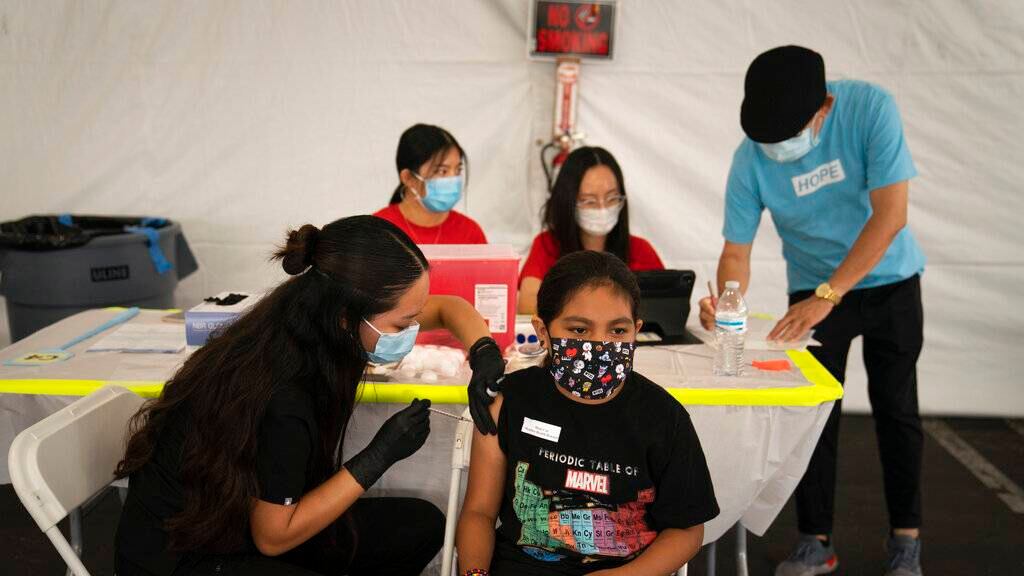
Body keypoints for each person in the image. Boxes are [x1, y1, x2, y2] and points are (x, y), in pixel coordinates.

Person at [114, 215, 505, 576]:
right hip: (184, 555)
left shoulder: (308, 314)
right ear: (346, 318)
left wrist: (483, 349)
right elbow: (272, 537)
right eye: (403, 324)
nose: (412, 330)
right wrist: (378, 456)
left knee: (419, 526)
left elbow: (449, 308)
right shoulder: (286, 391)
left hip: (240, 520)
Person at [699, 46, 926, 576]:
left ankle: (906, 538)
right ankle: (815, 540)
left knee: (897, 410)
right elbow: (736, 252)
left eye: (789, 135)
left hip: (889, 279)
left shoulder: (870, 108)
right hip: (810, 291)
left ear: (824, 107)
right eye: (768, 139)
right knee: (815, 414)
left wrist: (831, 294)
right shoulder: (749, 158)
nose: (778, 149)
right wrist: (728, 299)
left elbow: (891, 214)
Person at [457, 251, 719, 576]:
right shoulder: (509, 401)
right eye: (579, 330)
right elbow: (479, 513)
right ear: (542, 331)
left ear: (636, 330)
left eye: (618, 331)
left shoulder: (664, 418)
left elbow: (687, 529)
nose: (600, 344)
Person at [518, 147, 664, 314]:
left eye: (612, 198)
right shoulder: (548, 245)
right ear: (568, 202)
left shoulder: (640, 249)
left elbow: (667, 304)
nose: (602, 208)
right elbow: (527, 304)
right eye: (589, 201)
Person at [374, 123, 487, 244]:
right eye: (442, 171)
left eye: (458, 170)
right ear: (408, 178)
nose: (453, 179)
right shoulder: (377, 231)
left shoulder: (470, 233)